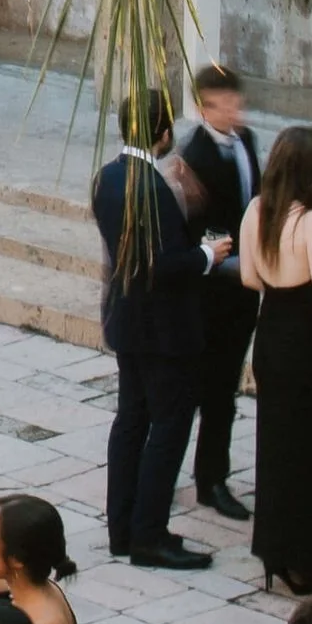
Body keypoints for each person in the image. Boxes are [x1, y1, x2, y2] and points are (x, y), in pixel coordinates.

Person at [93, 87, 212, 569]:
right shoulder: (152, 186)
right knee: (167, 425)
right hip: (162, 329)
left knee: (130, 421)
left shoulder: (107, 176)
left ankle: (122, 528)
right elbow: (163, 264)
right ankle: (148, 533)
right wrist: (206, 256)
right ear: (163, 133)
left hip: (126, 319)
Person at [242, 124, 312, 596]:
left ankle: (272, 549)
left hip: (271, 331)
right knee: (308, 452)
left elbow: (249, 277)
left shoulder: (255, 211)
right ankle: (302, 556)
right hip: (307, 338)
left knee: (274, 443)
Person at [179, 62, 262, 517]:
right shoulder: (195, 157)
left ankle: (214, 471)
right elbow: (193, 233)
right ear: (205, 107)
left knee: (224, 389)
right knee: (205, 389)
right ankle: (208, 479)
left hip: (244, 291)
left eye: (237, 101)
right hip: (211, 291)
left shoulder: (247, 141)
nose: (234, 111)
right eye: (224, 104)